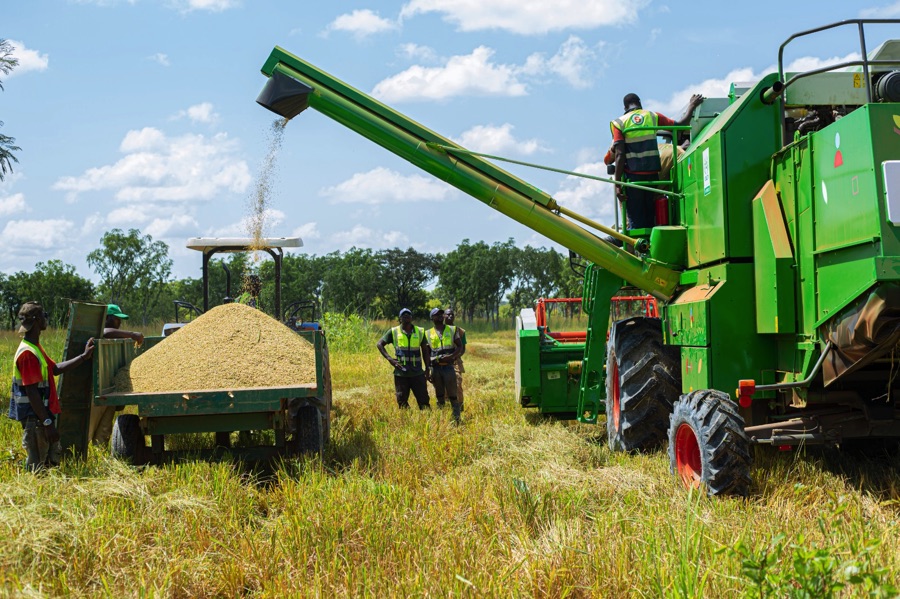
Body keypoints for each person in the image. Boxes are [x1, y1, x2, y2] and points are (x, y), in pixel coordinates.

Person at [8, 301, 94, 472]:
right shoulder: (28, 353)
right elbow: (32, 392)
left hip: (40, 416)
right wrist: (47, 422)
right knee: (37, 466)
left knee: (46, 463)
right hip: (35, 418)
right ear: (37, 320)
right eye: (44, 316)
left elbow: (55, 369)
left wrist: (84, 357)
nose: (46, 319)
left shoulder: (35, 347)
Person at [611, 92, 703, 230]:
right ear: (640, 103)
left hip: (634, 179)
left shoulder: (618, 123)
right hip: (653, 177)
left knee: (636, 222)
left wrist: (617, 184)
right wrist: (692, 105)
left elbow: (619, 154)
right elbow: (680, 125)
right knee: (651, 218)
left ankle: (640, 249)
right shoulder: (652, 116)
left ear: (625, 107)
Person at [88, 304, 144, 445]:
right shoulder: (100, 332)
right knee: (89, 429)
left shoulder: (116, 338)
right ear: (106, 318)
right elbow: (105, 331)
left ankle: (99, 454)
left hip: (110, 388)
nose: (119, 323)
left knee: (104, 430)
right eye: (116, 319)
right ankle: (82, 457)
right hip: (96, 390)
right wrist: (131, 334)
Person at [377, 308, 432, 410]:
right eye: (403, 315)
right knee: (402, 401)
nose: (406, 316)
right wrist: (390, 359)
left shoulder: (420, 331)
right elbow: (379, 344)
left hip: (417, 373)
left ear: (411, 318)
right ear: (400, 318)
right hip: (401, 373)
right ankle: (407, 420)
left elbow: (425, 351)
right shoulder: (393, 331)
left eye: (408, 314)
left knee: (424, 401)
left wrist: (428, 368)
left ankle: (426, 420)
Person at [426, 307, 463, 422]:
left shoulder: (452, 330)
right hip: (436, 368)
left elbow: (460, 346)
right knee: (439, 395)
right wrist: (427, 369)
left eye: (441, 314)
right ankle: (441, 419)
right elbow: (426, 353)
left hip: (448, 367)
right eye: (437, 315)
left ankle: (456, 419)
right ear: (432, 318)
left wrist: (451, 357)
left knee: (453, 394)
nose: (440, 316)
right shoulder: (427, 333)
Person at [443, 307, 466, 413]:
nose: (450, 316)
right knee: (443, 386)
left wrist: (453, 357)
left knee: (457, 384)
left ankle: (459, 407)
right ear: (443, 316)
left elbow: (462, 349)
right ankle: (446, 408)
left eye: (452, 314)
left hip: (455, 362)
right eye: (448, 314)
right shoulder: (439, 330)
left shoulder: (460, 331)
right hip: (441, 362)